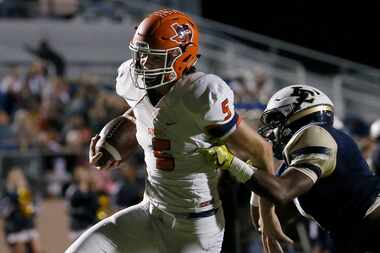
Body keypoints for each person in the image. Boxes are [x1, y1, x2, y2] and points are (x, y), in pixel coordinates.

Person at [65, 8, 290, 253]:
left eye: (152, 58)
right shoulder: (133, 81)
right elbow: (143, 111)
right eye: (140, 55)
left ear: (182, 56)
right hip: (151, 212)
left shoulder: (200, 95)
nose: (142, 64)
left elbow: (260, 150)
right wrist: (112, 140)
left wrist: (266, 214)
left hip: (195, 231)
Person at [201, 84, 380, 253]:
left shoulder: (316, 134)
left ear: (299, 112)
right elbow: (261, 221)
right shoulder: (292, 164)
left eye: (275, 120)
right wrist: (259, 167)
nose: (270, 130)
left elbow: (282, 191)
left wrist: (232, 162)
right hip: (355, 238)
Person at [0, 167, 41, 253]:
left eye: (19, 178)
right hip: (14, 229)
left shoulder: (25, 192)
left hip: (28, 226)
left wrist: (23, 195)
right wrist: (14, 203)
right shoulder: (7, 194)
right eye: (15, 179)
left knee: (36, 249)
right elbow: (4, 213)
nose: (18, 181)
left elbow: (30, 211)